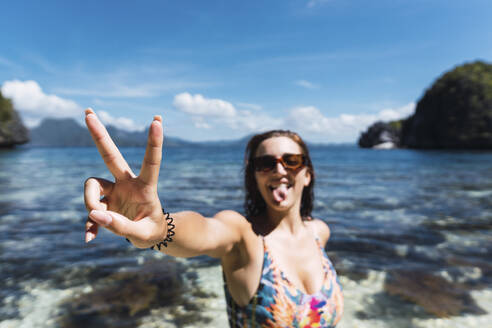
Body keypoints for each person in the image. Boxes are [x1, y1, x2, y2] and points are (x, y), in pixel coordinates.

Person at [83, 108, 343, 327]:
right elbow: (206, 231)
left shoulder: (320, 232)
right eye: (265, 163)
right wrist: (159, 229)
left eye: (292, 160)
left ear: (307, 174)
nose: (279, 169)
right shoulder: (243, 235)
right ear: (255, 177)